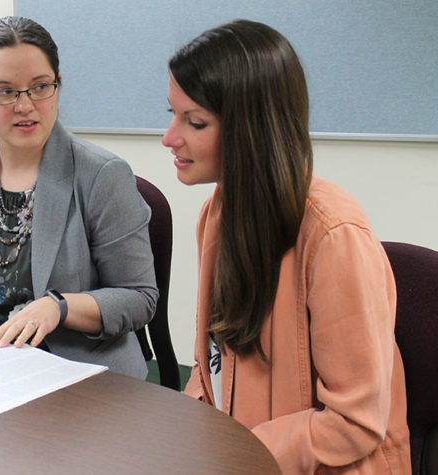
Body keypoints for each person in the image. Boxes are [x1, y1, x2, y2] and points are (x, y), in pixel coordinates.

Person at [162, 20, 410, 473]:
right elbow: (210, 365)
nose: (169, 137)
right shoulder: (218, 214)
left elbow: (355, 422)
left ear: (250, 129)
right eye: (172, 114)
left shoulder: (333, 235)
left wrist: (239, 454)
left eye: (194, 121)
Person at [0, 16, 158, 379]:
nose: (25, 105)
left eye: (40, 87)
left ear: (58, 85)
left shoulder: (101, 175)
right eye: (5, 91)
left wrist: (58, 308)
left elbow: (139, 297)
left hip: (73, 373)